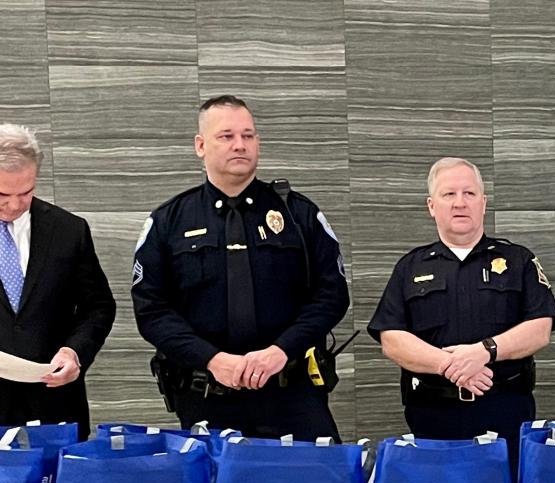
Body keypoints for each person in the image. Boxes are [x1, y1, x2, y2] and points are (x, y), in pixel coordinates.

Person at [132, 95, 349, 441]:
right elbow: (153, 311)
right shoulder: (169, 221)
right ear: (201, 146)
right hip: (207, 397)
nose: (240, 145)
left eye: (248, 136)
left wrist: (280, 352)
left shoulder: (298, 214)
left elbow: (332, 296)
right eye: (227, 136)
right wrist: (214, 360)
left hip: (292, 393)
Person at [367, 157, 555, 468]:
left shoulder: (518, 260)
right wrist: (450, 364)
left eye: (469, 194)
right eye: (449, 194)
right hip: (431, 416)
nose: (460, 203)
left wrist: (485, 351)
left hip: (505, 412)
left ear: (483, 203)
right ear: (432, 205)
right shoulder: (411, 266)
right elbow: (392, 338)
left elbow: (540, 327)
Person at [0, 124, 115, 438]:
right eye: (2, 195)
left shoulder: (68, 230)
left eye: (25, 193)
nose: (13, 205)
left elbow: (99, 307)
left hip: (54, 407)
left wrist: (74, 352)